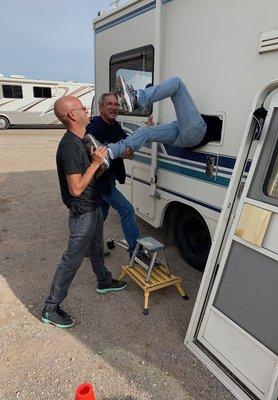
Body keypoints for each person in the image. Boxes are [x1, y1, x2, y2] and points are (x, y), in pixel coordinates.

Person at [41, 96, 127, 329]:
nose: (86, 109)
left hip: (95, 204)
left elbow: (93, 176)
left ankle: (104, 280)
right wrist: (94, 164)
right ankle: (50, 307)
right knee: (72, 258)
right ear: (72, 115)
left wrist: (99, 165)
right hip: (83, 211)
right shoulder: (69, 146)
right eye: (81, 107)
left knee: (97, 246)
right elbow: (76, 188)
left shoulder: (83, 139)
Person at [86, 93, 147, 260]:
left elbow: (127, 145)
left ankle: (87, 247)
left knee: (102, 214)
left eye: (116, 104)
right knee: (127, 210)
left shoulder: (115, 126)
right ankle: (136, 253)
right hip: (101, 181)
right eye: (110, 104)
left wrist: (143, 134)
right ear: (101, 107)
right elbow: (94, 156)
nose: (114, 107)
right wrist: (119, 152)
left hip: (110, 178)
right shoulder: (94, 127)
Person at [104, 76, 208, 159]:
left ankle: (136, 99)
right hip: (182, 135)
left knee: (177, 84)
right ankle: (109, 152)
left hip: (196, 134)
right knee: (145, 131)